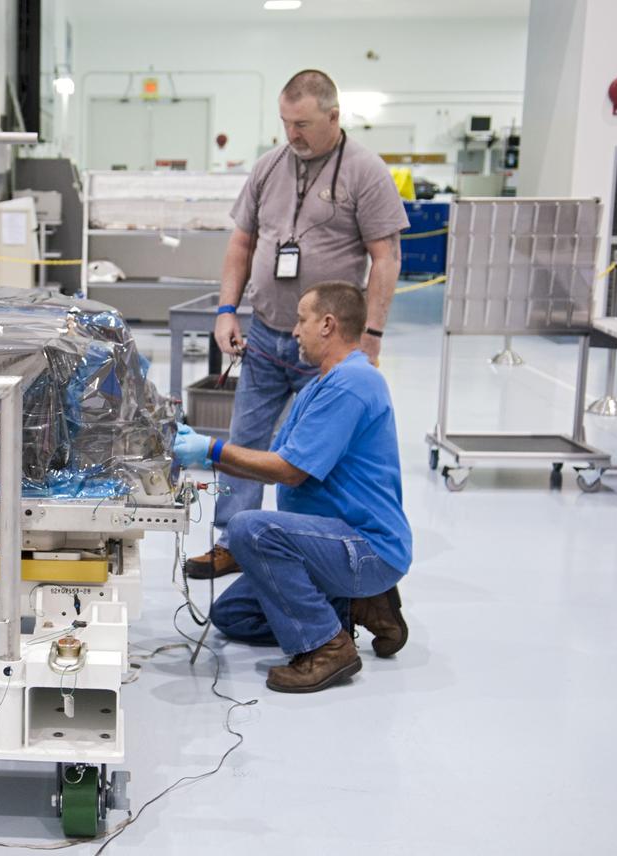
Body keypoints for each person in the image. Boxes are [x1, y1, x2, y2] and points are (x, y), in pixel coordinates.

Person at [186, 68, 410, 581]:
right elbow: (241, 243)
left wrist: (371, 336)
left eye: (304, 124)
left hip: (326, 345)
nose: (293, 134)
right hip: (265, 332)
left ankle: (316, 552)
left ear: (334, 116)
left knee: (311, 458)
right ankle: (234, 540)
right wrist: (226, 310)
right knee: (245, 436)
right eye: (286, 123)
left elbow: (387, 257)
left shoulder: (366, 172)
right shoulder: (269, 167)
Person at [174, 282, 411, 693]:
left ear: (328, 324)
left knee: (252, 529)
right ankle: (353, 604)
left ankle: (327, 647)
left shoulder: (354, 383)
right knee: (231, 616)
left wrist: (211, 450)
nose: (295, 331)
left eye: (302, 320)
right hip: (330, 543)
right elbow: (273, 466)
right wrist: (201, 452)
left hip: (366, 546)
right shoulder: (316, 389)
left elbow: (289, 471)